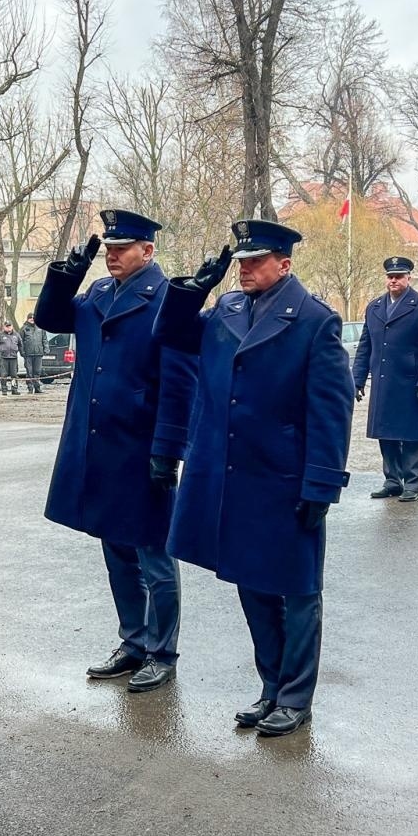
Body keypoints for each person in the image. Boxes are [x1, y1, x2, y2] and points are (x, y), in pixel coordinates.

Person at [154, 220, 354, 737]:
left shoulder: (316, 322)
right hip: (231, 477)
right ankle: (270, 686)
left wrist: (322, 485)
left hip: (284, 478)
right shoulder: (227, 308)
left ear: (284, 263)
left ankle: (295, 697)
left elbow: (331, 413)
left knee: (298, 591)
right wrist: (193, 289)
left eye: (255, 260)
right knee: (251, 584)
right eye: (240, 261)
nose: (244, 269)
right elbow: (172, 335)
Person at [36, 209, 197, 692]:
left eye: (121, 249)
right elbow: (50, 318)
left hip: (141, 446)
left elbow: (179, 381)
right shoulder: (99, 293)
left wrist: (168, 448)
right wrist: (68, 274)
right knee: (115, 550)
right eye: (107, 248)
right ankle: (133, 641)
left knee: (154, 555)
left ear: (147, 251)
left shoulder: (168, 300)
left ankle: (162, 652)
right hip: (98, 443)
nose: (111, 256)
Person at [353, 255, 418, 502]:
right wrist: (357, 379)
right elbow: (365, 346)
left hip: (410, 383)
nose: (393, 280)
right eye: (390, 277)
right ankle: (392, 480)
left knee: (411, 435)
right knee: (386, 433)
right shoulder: (374, 307)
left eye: (399, 276)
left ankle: (413, 482)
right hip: (383, 382)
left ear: (408, 278)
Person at [19, 312, 47, 394]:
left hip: (38, 353)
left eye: (33, 318)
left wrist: (46, 349)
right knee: (29, 372)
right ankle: (30, 388)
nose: (32, 319)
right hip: (28, 354)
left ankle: (37, 388)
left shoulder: (40, 328)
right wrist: (22, 352)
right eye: (30, 318)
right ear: (27, 319)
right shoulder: (24, 329)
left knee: (37, 371)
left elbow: (44, 339)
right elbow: (20, 342)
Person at [0, 321, 22, 396]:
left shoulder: (16, 335)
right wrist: (2, 350)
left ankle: (14, 389)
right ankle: (4, 390)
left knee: (14, 375)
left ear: (12, 326)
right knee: (3, 375)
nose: (8, 328)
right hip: (4, 358)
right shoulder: (0, 335)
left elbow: (20, 344)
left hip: (13, 358)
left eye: (10, 326)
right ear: (4, 327)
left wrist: (16, 350)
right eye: (7, 326)